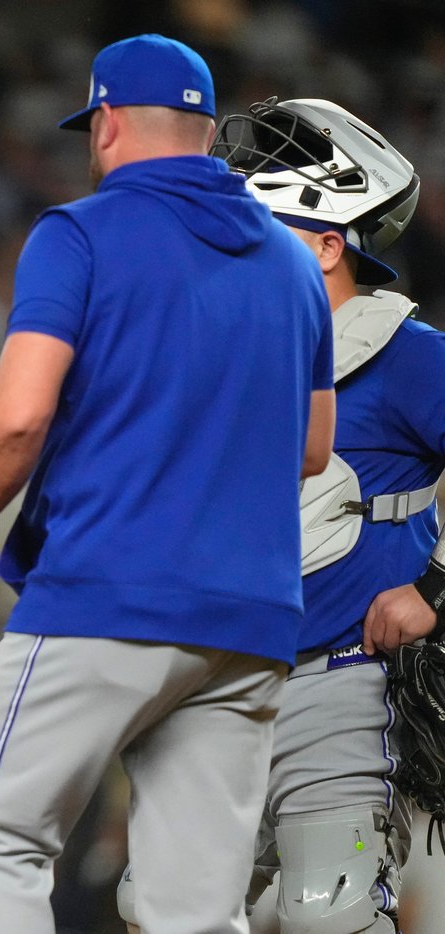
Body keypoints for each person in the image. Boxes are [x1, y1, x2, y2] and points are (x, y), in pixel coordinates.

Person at [0, 34, 336, 934]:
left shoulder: (79, 233)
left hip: (105, 594)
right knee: (195, 906)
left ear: (106, 121)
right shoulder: (293, 265)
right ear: (202, 131)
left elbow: (17, 415)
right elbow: (312, 447)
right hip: (251, 619)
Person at [208, 96, 427, 934]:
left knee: (328, 918)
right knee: (160, 914)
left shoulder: (408, 355)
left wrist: (435, 590)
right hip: (215, 689)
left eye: (266, 227)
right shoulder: (226, 352)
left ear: (330, 245)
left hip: (341, 688)